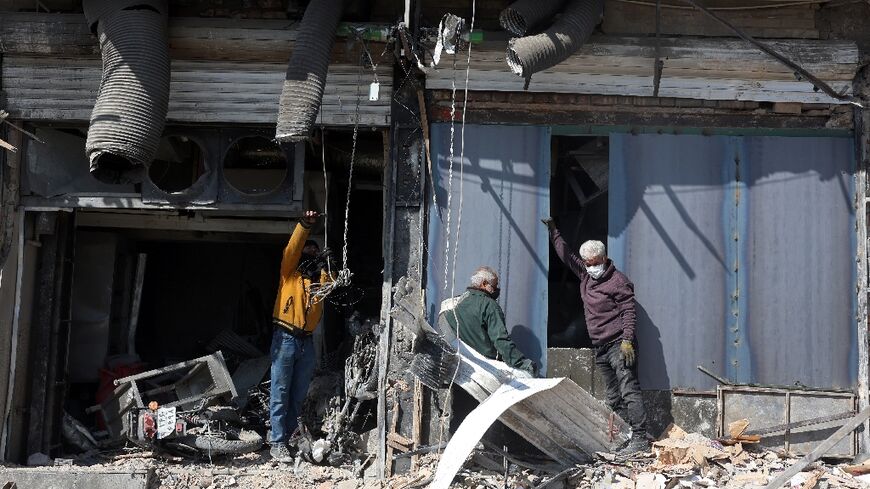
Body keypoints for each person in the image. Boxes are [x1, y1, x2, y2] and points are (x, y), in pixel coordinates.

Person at [542, 217, 649, 454]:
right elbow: (567, 256)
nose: (590, 267)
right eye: (587, 263)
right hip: (600, 346)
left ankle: (641, 439)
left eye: (593, 263)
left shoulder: (617, 281)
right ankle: (625, 436)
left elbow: (629, 312)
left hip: (618, 344)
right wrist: (554, 232)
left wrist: (628, 341)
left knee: (629, 389)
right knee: (613, 396)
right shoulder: (586, 276)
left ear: (603, 258)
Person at [269, 210, 334, 462]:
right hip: (285, 338)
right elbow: (292, 249)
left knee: (297, 395)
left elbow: (332, 284)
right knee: (280, 392)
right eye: (306, 252)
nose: (310, 254)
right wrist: (304, 225)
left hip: (306, 342)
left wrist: (328, 265)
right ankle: (276, 442)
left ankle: (287, 438)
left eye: (314, 252)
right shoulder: (289, 276)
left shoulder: (316, 283)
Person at [441, 266, 537, 376]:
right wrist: (523, 364)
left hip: (461, 369)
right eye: (494, 286)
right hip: (488, 369)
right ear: (484, 284)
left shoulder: (456, 303)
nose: (496, 289)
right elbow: (501, 340)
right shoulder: (490, 306)